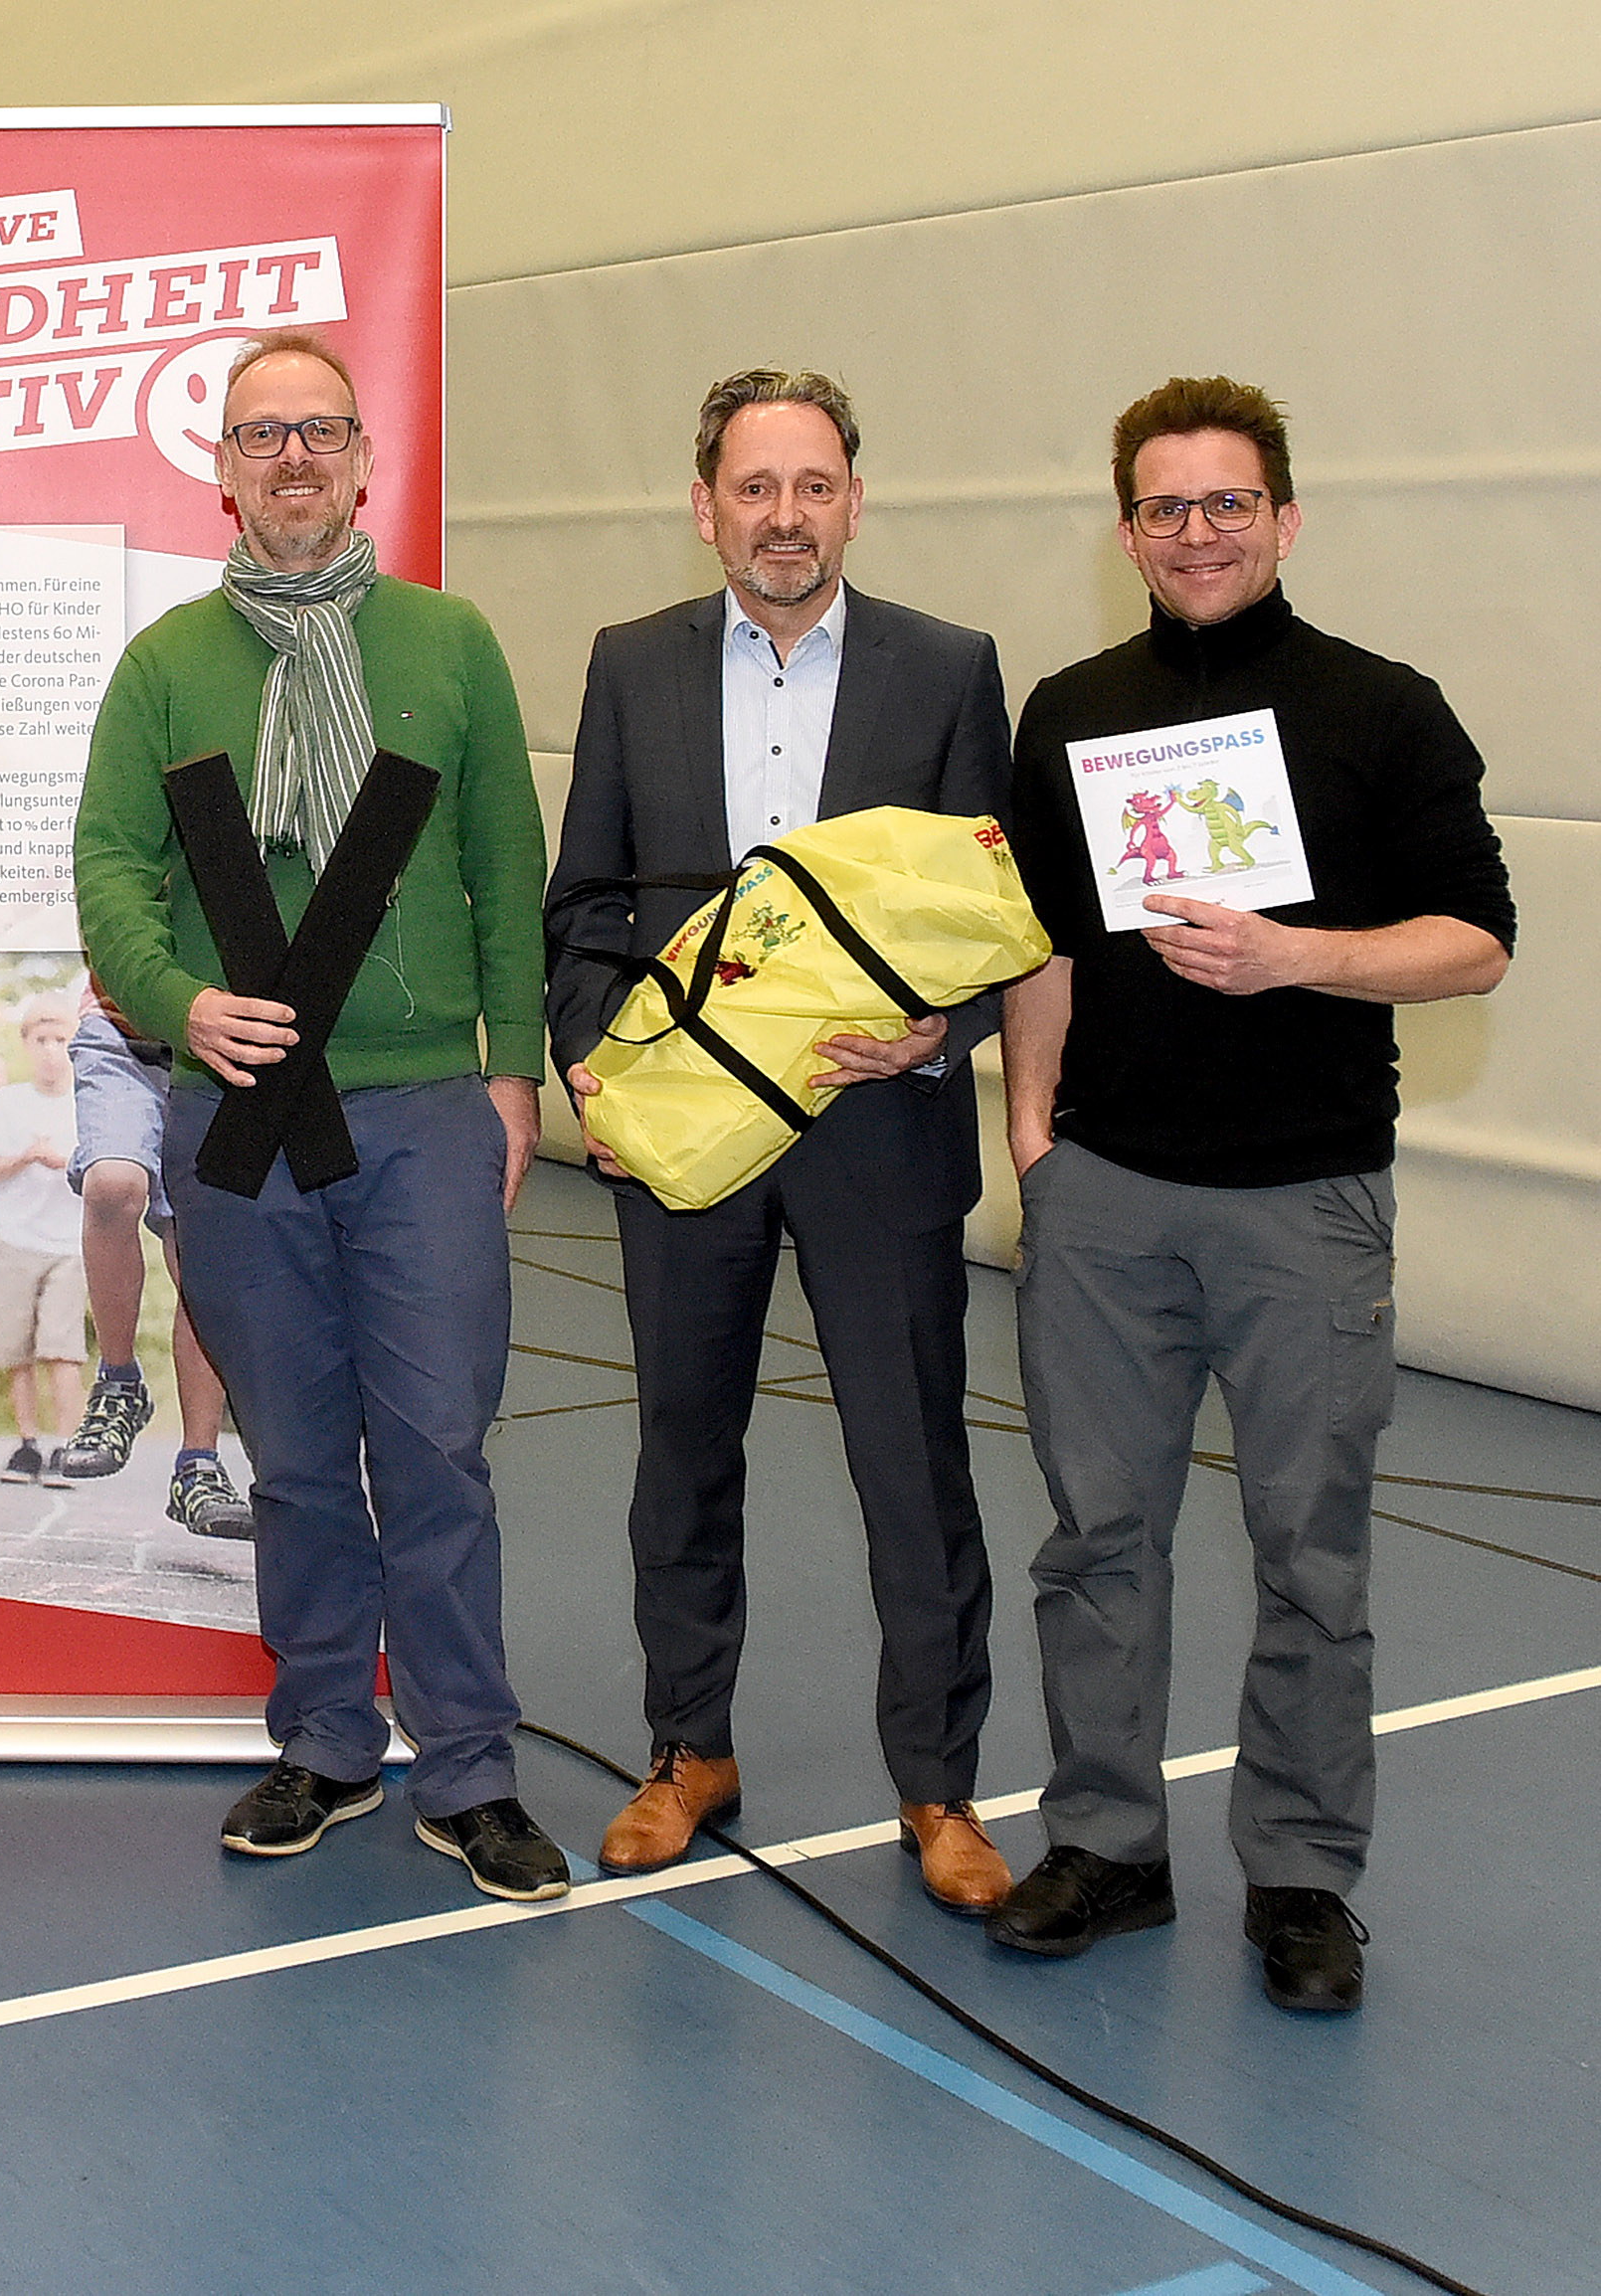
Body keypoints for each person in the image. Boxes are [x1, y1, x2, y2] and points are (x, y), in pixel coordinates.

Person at [987, 377, 1512, 2013]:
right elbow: (1037, 943)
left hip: (1304, 1206)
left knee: (1308, 1552)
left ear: (1281, 518)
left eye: (1225, 503)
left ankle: (1296, 1874)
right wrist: (1031, 1140)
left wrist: (1298, 957)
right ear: (1124, 530)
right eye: (1163, 506)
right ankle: (1104, 1844)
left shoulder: (1382, 709)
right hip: (1105, 1201)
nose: (1195, 532)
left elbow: (1473, 939)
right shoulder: (1070, 712)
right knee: (1096, 1540)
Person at [73, 330, 568, 1898]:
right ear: (220, 471)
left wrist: (510, 1069)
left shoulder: (448, 644)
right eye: (260, 434)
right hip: (238, 1117)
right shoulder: (165, 666)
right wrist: (178, 1003)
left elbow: (503, 864)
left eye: (320, 431)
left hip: (421, 1104)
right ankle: (327, 1742)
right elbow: (107, 867)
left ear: (363, 461)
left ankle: (468, 1763)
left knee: (433, 1444)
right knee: (290, 1454)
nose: (291, 456)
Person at [544, 370, 1016, 1912]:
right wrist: (590, 1070)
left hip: (877, 1132)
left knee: (910, 1465)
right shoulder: (630, 665)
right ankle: (687, 1749)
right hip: (685, 1140)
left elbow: (1001, 908)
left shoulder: (945, 669)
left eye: (812, 485)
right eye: (753, 488)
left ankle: (936, 1785)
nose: (783, 516)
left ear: (852, 502)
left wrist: (940, 1028)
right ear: (705, 508)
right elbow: (584, 904)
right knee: (681, 1451)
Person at [59, 996, 251, 1539]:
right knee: (112, 1185)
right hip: (122, 1036)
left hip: (219, 1051)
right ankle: (119, 1383)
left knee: (197, 1243)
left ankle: (198, 1464)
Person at [0, 988, 89, 1485]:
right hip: (13, 1238)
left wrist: (64, 1162)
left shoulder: (86, 1101)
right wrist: (26, 1157)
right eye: (41, 1039)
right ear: (26, 1043)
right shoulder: (9, 1101)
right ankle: (28, 1444)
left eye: (60, 1040)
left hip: (69, 1244)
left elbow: (98, 1170)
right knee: (15, 1347)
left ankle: (68, 1444)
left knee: (62, 1348)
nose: (50, 1050)